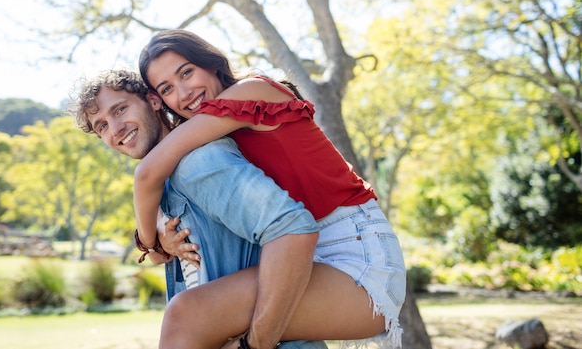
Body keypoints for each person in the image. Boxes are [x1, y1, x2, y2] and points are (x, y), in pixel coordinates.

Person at [135, 29, 406, 349]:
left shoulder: (254, 91)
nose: (184, 92)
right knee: (192, 318)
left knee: (189, 315)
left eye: (187, 72)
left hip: (359, 258)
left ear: (210, 63)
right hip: (301, 259)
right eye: (167, 88)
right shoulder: (211, 134)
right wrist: (159, 233)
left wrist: (148, 243)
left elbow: (146, 174)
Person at [68, 69, 328, 349]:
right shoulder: (167, 184)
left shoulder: (199, 161)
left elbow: (291, 225)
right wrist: (155, 241)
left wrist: (253, 345)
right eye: (102, 126)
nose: (115, 129)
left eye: (120, 110)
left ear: (153, 101)